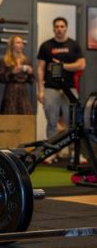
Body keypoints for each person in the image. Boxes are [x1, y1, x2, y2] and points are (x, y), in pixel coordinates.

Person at [37, 17, 86, 163]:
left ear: (66, 28)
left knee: (72, 123)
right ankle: (51, 153)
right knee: (52, 122)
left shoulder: (73, 45)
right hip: (50, 88)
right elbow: (40, 68)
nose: (59, 29)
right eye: (57, 26)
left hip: (69, 89)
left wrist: (63, 65)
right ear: (53, 28)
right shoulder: (46, 46)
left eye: (62, 26)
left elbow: (82, 65)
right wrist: (40, 90)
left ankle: (74, 154)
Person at [0, 35, 34, 115]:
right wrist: (12, 72)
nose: (21, 45)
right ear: (12, 45)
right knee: (11, 116)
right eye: (18, 42)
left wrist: (30, 73)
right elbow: (1, 78)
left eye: (22, 43)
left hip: (23, 91)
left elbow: (31, 81)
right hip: (11, 91)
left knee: (25, 116)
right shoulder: (5, 60)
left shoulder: (26, 60)